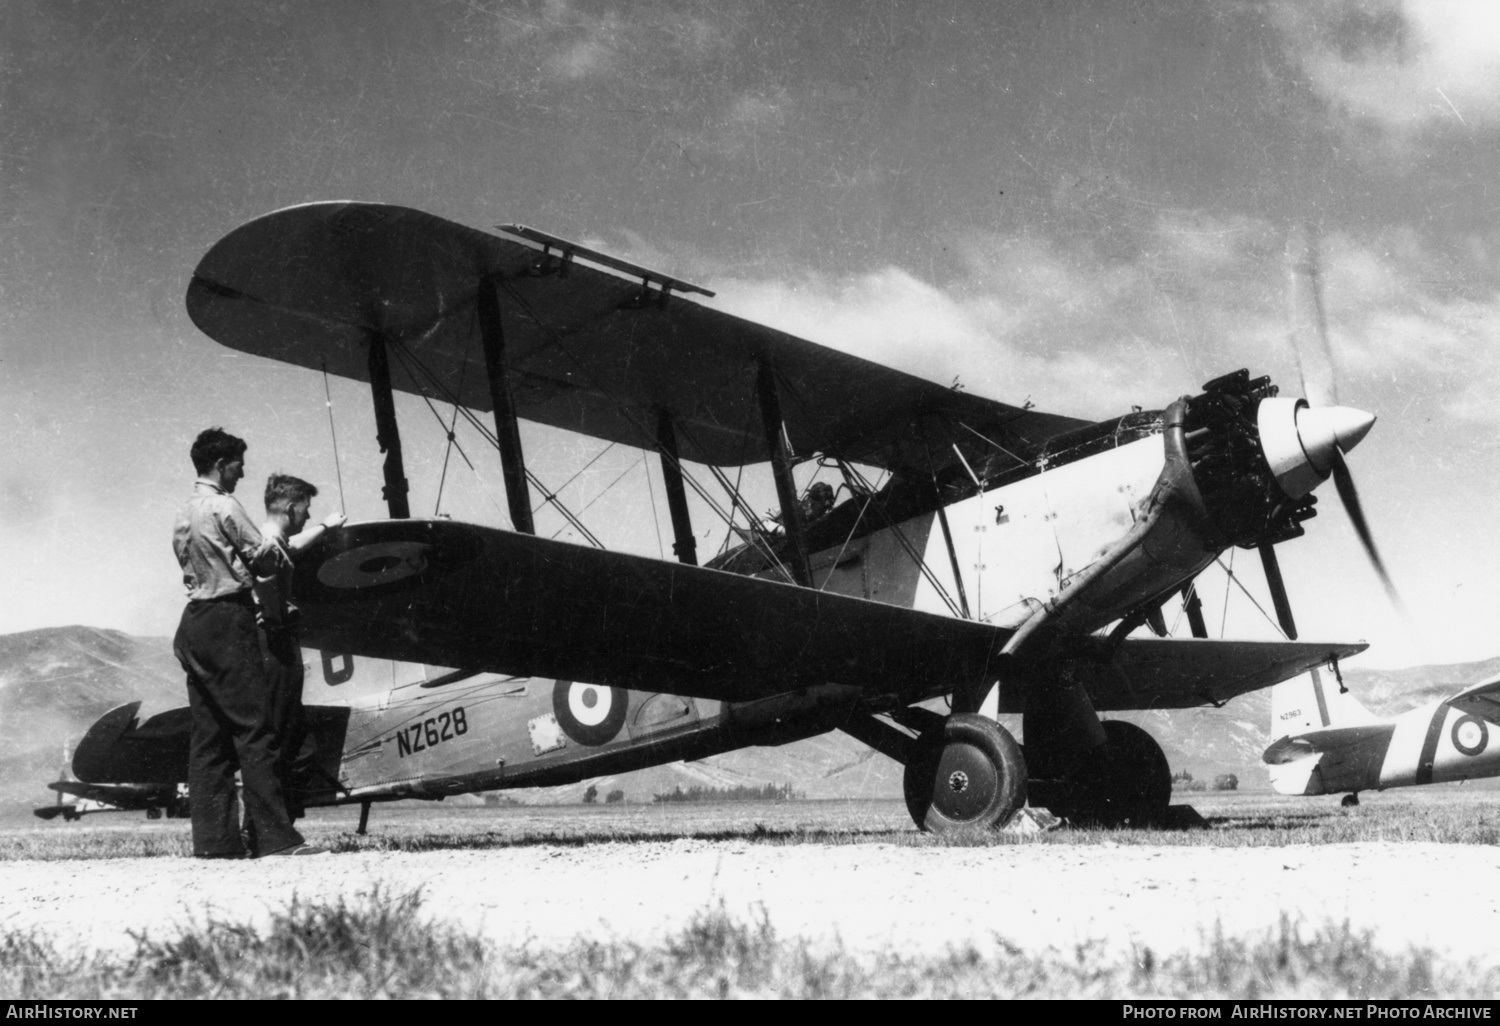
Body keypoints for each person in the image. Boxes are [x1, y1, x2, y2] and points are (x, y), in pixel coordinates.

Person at [171, 428, 326, 858]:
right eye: (239, 464)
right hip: (227, 621)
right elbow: (264, 558)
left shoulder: (184, 510)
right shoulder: (224, 505)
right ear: (221, 465)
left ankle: (215, 844)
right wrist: (283, 550)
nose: (242, 472)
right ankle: (276, 839)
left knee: (209, 740)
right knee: (255, 730)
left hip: (194, 623)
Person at [252, 473, 345, 820]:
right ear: (291, 507)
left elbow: (291, 548)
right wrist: (281, 619)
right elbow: (267, 581)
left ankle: (278, 823)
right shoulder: (268, 543)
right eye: (306, 509)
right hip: (275, 641)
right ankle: (268, 826)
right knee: (281, 735)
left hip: (276, 642)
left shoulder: (272, 539)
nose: (307, 515)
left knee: (294, 737)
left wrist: (324, 526)